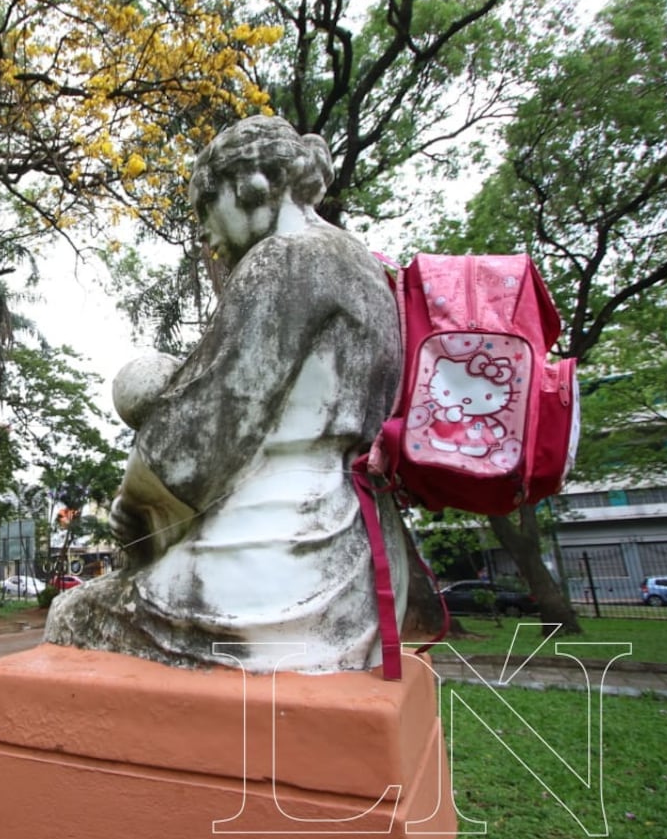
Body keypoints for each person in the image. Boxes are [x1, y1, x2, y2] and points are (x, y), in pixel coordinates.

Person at [45, 115, 409, 674]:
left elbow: (207, 431)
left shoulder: (284, 260)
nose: (202, 233)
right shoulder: (366, 268)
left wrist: (135, 507)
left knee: (71, 617)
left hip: (283, 557)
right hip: (362, 550)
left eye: (202, 208)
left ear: (247, 187)